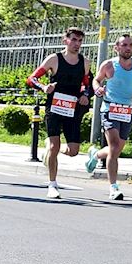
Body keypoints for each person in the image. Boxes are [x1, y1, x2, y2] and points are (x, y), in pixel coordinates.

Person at [27, 28, 92, 200]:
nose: (77, 44)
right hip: (54, 107)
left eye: (80, 41)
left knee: (73, 151)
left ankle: (49, 148)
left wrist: (85, 95)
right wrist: (43, 87)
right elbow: (32, 78)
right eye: (74, 40)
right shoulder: (54, 59)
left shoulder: (85, 63)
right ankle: (52, 184)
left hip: (72, 108)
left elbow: (87, 84)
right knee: (55, 146)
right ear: (65, 40)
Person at [88, 34, 132, 202]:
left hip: (127, 110)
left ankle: (96, 155)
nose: (128, 48)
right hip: (109, 108)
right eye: (124, 45)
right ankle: (113, 188)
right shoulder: (109, 65)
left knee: (116, 149)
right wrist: (98, 89)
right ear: (117, 48)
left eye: (130, 45)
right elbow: (96, 80)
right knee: (114, 146)